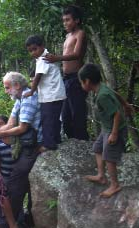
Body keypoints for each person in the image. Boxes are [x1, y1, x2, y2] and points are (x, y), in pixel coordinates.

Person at [0, 72, 42, 227]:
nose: (6, 91)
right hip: (26, 146)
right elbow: (11, 123)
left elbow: (22, 127)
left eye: (7, 88)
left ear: (17, 85)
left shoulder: (28, 97)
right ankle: (15, 220)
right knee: (16, 184)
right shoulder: (20, 98)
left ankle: (7, 223)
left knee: (14, 184)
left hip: (33, 146)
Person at [78, 63, 128, 197]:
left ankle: (114, 185)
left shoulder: (102, 96)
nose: (81, 85)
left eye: (81, 82)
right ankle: (101, 175)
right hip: (107, 128)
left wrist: (114, 133)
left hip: (114, 129)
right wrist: (126, 104)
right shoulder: (101, 89)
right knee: (97, 148)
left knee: (109, 157)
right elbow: (115, 94)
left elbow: (116, 114)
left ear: (87, 81)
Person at [43, 5, 89, 140]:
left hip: (77, 79)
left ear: (77, 20)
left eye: (68, 20)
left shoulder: (81, 33)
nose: (65, 23)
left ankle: (83, 147)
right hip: (66, 79)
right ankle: (73, 146)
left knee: (78, 116)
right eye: (64, 20)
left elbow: (77, 54)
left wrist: (57, 58)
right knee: (66, 117)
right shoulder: (68, 35)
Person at [24, 35, 66, 150]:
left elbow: (38, 76)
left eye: (34, 49)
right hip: (55, 94)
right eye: (30, 51)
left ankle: (49, 144)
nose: (33, 53)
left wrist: (31, 91)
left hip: (50, 96)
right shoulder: (44, 57)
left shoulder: (44, 58)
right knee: (55, 118)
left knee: (47, 120)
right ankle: (56, 139)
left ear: (42, 46)